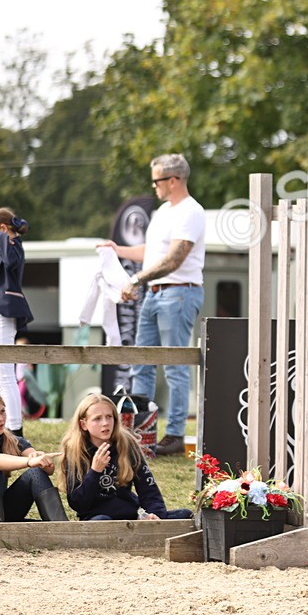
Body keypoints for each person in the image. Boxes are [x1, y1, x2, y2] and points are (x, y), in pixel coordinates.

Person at [97, 154, 205, 456]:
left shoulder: (191, 212)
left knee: (174, 366)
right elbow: (153, 251)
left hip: (179, 292)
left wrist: (136, 279)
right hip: (156, 292)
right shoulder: (162, 212)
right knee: (141, 360)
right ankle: (139, 428)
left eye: (157, 180)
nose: (153, 185)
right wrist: (118, 248)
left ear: (173, 181)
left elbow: (174, 258)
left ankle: (174, 434)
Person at [58, 393, 192, 521]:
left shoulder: (127, 443)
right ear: (83, 424)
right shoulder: (74, 450)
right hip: (97, 520)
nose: (105, 423)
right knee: (103, 522)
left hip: (130, 517)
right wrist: (95, 472)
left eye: (109, 417)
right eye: (97, 418)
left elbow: (148, 490)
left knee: (185, 514)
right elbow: (78, 504)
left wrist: (155, 515)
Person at [0, 396, 67, 521]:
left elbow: (47, 471)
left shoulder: (11, 440)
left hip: (4, 513)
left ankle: (63, 529)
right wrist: (29, 461)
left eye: (2, 411)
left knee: (35, 473)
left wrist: (41, 460)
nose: (0, 419)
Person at [0, 208, 34, 438]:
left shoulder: (13, 246)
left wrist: (6, 236)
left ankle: (15, 428)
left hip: (4, 311)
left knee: (5, 372)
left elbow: (11, 262)